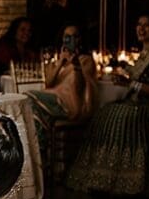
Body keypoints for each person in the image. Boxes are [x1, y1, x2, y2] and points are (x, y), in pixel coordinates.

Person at [66, 13, 149, 198]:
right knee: (105, 112)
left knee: (121, 115)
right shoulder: (144, 54)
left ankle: (126, 180)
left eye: (146, 25)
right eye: (139, 24)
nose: (141, 29)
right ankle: (102, 177)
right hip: (138, 103)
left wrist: (130, 84)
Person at [24, 22, 96, 154]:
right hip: (55, 97)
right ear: (62, 39)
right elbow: (49, 83)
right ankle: (40, 149)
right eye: (67, 36)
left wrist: (76, 65)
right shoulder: (58, 60)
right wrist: (61, 62)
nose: (71, 40)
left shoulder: (86, 60)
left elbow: (80, 87)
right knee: (31, 107)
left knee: (28, 96)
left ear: (80, 39)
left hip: (71, 103)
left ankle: (40, 148)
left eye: (75, 36)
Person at [0, 16, 38, 87]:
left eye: (29, 31)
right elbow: (0, 68)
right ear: (14, 31)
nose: (26, 33)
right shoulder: (4, 47)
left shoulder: (30, 50)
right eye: (22, 30)